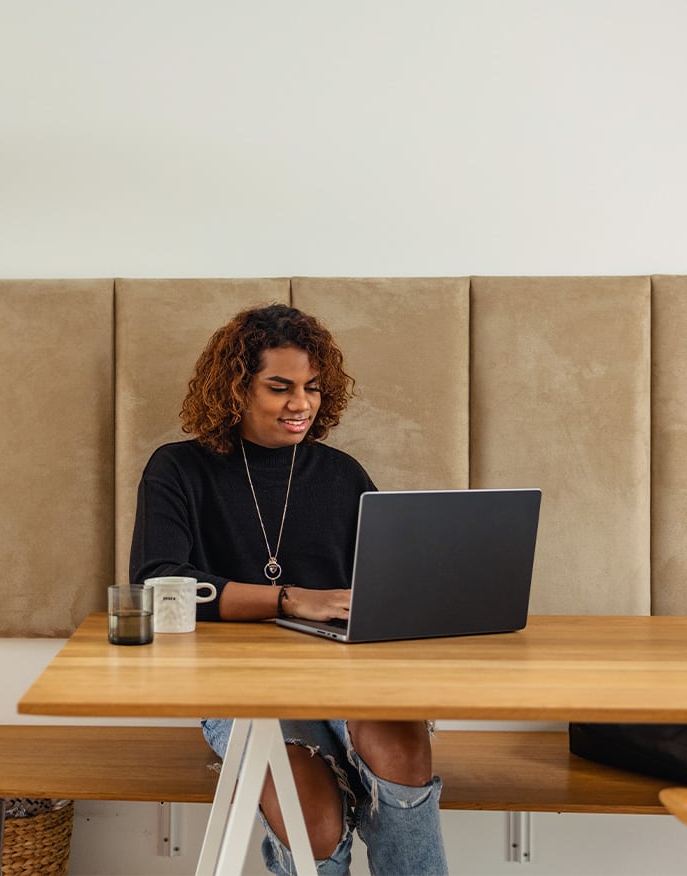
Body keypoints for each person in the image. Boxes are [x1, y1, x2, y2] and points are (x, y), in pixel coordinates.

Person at [130, 304, 448, 875]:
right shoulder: (178, 469)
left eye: (312, 388)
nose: (300, 403)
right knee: (313, 818)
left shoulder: (342, 474)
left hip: (349, 672)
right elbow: (157, 584)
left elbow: (388, 582)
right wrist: (289, 598)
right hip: (238, 685)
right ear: (236, 388)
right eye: (280, 387)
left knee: (402, 751)